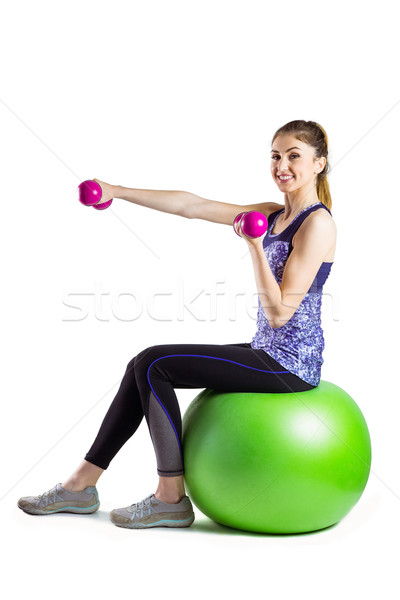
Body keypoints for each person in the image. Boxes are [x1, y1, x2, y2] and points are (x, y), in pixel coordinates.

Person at [17, 119, 336, 529]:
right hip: (266, 350)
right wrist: (118, 192)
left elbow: (279, 313)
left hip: (291, 365)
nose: (282, 165)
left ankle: (170, 497)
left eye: (294, 156)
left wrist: (254, 247)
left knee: (155, 363)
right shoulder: (274, 214)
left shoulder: (318, 223)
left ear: (318, 164)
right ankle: (81, 485)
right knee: (140, 364)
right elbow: (193, 206)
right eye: (275, 156)